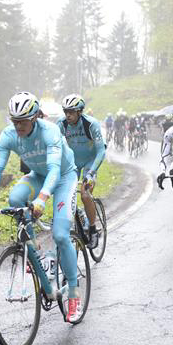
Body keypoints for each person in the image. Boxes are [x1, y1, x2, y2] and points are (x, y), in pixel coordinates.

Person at [0, 91, 81, 323]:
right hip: (38, 175)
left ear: (34, 118)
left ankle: (73, 292)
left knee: (61, 235)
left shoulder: (49, 131)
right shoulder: (9, 135)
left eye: (22, 121)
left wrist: (42, 199)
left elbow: (54, 170)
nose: (18, 126)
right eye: (14, 121)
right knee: (15, 199)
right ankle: (36, 255)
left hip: (63, 177)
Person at [57, 94, 106, 249]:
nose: (68, 115)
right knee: (66, 195)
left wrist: (91, 172)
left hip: (90, 163)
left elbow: (101, 151)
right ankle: (79, 216)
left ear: (79, 111)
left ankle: (92, 229)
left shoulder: (91, 124)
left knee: (85, 194)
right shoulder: (61, 124)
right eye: (66, 111)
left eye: (71, 111)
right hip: (73, 163)